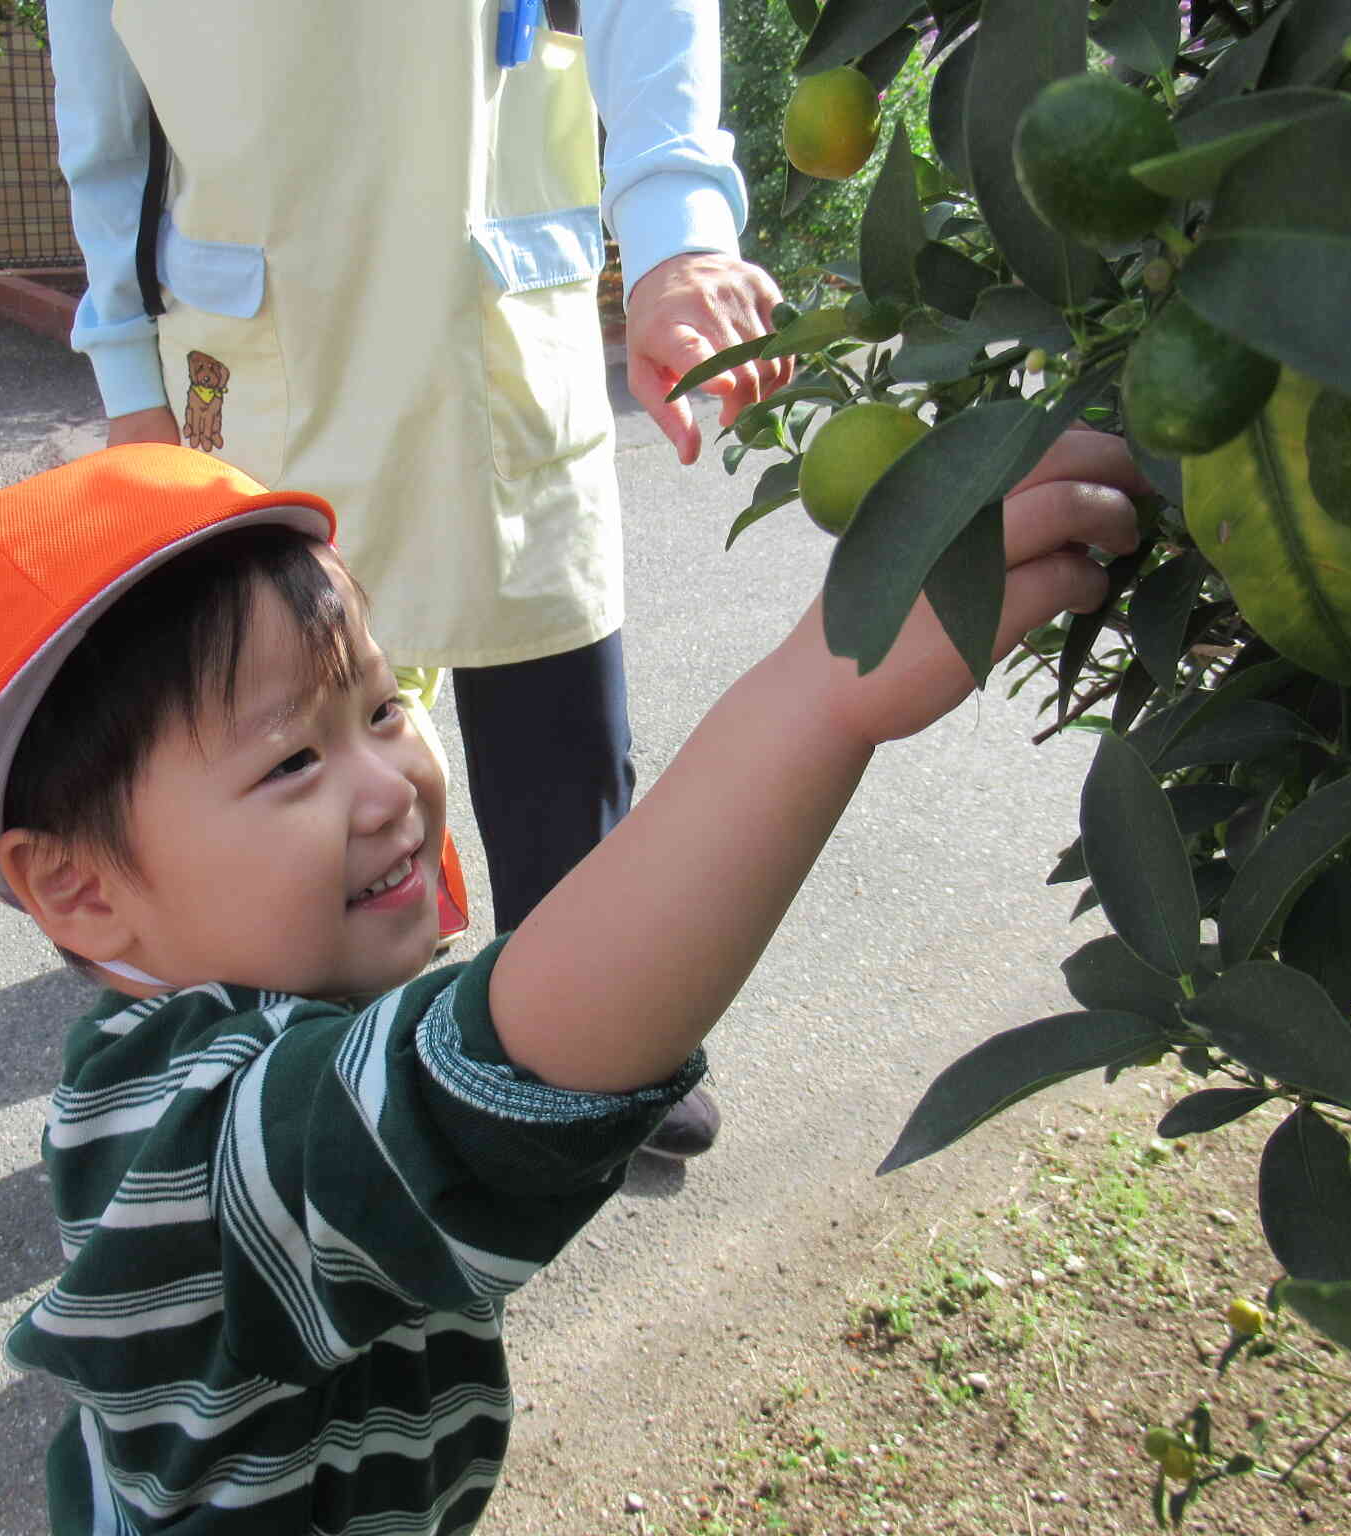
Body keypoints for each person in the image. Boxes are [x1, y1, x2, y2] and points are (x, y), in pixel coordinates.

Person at [0, 435, 1143, 1532]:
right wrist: (817, 700)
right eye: (288, 764)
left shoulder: (295, 1011)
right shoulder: (161, 1138)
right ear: (81, 892)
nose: (389, 787)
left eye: (382, 707)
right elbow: (478, 1082)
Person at [43, 0, 791, 1157]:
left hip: (482, 316)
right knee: (269, 744)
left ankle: (592, 1031)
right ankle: (289, 1061)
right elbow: (104, 128)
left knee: (557, 732)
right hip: (257, 349)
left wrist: (676, 227)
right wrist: (126, 375)